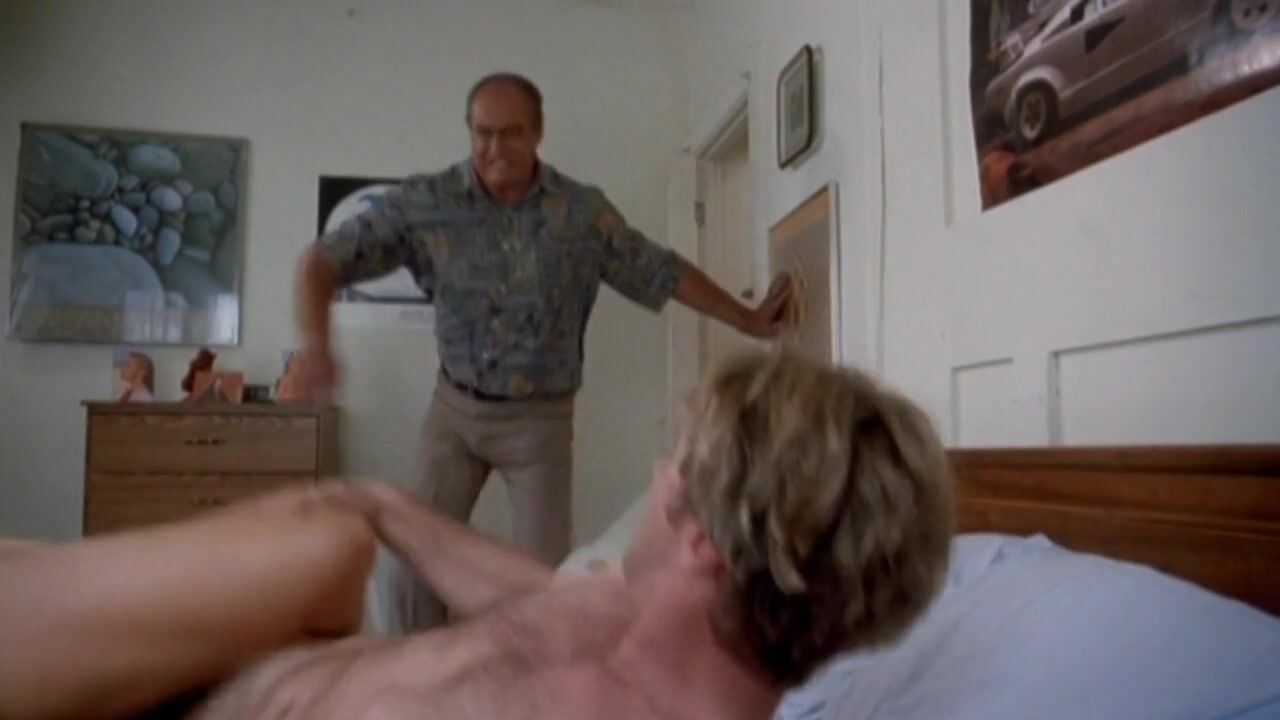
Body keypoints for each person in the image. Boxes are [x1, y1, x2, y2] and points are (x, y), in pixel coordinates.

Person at [190, 350, 955, 719]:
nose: (657, 473)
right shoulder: (639, 609)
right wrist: (381, 506)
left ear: (706, 543)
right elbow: (534, 594)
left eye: (676, 461)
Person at [294, 71, 795, 630]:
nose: (495, 149)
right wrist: (316, 346)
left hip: (539, 426)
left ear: (537, 133)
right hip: (453, 414)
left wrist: (746, 318)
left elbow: (661, 270)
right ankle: (418, 666)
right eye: (483, 133)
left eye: (511, 133)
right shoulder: (425, 203)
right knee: (413, 562)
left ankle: (536, 674)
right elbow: (320, 262)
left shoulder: (580, 214)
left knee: (544, 581)